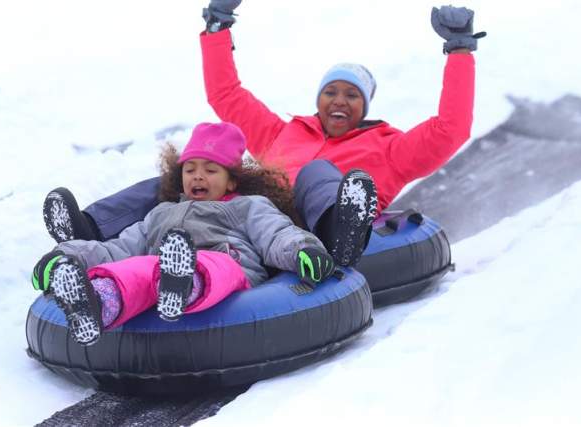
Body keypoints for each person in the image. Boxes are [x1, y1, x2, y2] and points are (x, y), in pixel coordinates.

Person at [42, 3, 484, 268]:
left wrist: (460, 50)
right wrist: (218, 28)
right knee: (188, 173)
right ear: (318, 97)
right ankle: (89, 227)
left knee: (316, 171)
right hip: (249, 216)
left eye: (352, 95)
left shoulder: (391, 148)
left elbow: (451, 128)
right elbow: (226, 95)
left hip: (311, 226)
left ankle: (340, 227)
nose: (339, 100)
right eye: (331, 90)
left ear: (365, 106)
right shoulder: (283, 132)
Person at [31, 122, 347, 346]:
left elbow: (277, 235)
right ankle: (96, 304)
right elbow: (118, 249)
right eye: (190, 168)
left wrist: (302, 249)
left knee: (211, 265)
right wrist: (69, 255)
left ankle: (184, 283)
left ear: (232, 181)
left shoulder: (248, 207)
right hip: (161, 267)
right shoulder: (159, 213)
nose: (198, 176)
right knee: (136, 269)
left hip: (228, 268)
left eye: (210, 170)